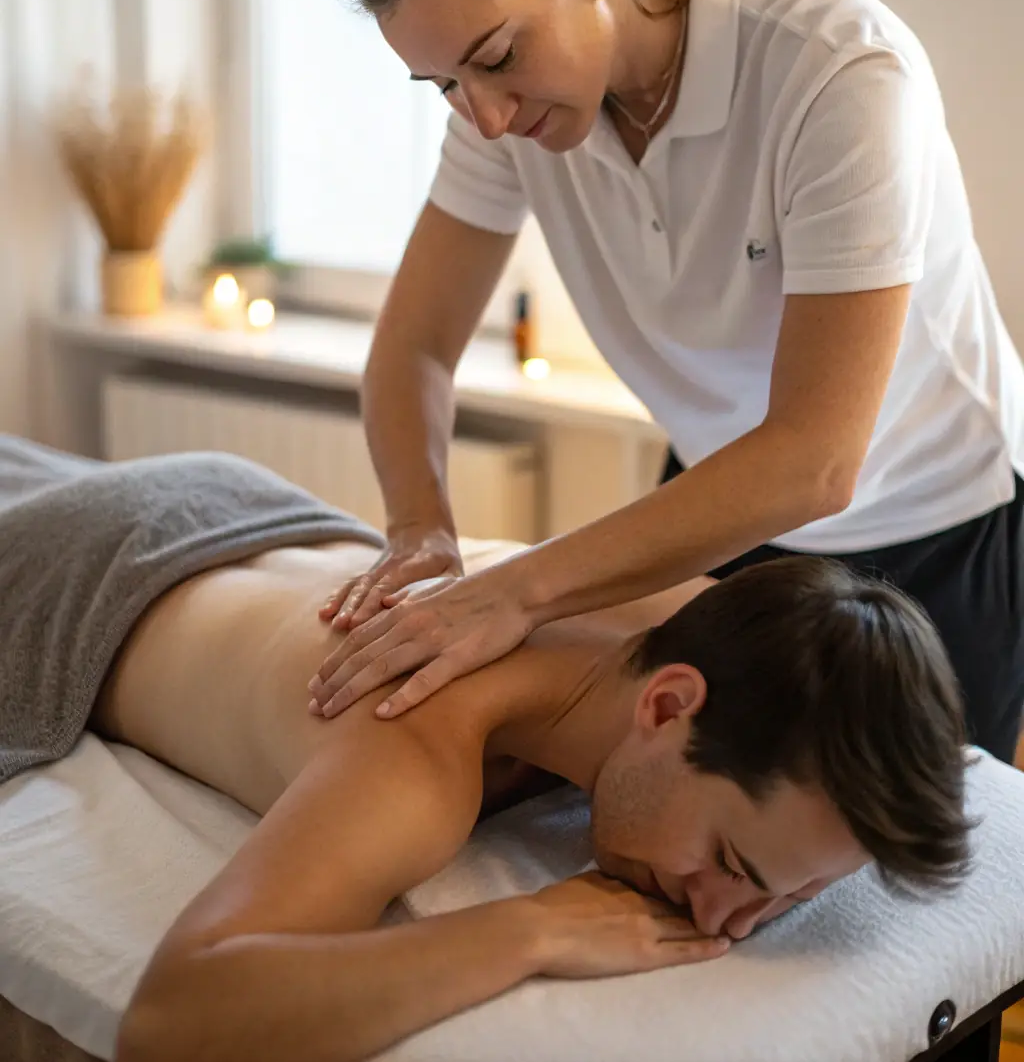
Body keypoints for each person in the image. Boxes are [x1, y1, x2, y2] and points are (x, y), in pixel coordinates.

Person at [311, 0, 1024, 763]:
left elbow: (818, 460)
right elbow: (414, 347)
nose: (486, 117)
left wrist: (514, 587)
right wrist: (420, 534)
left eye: (497, 58)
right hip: (722, 512)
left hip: (935, 526)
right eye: (446, 87)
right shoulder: (511, 123)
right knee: (626, 800)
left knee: (891, 877)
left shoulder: (834, 71)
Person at [0, 439, 969, 1062]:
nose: (732, 921)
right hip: (58, 587)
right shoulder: (416, 750)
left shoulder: (723, 626)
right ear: (668, 706)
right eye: (728, 864)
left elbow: (873, 689)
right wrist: (528, 931)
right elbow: (177, 1020)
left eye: (791, 896)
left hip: (233, 500)